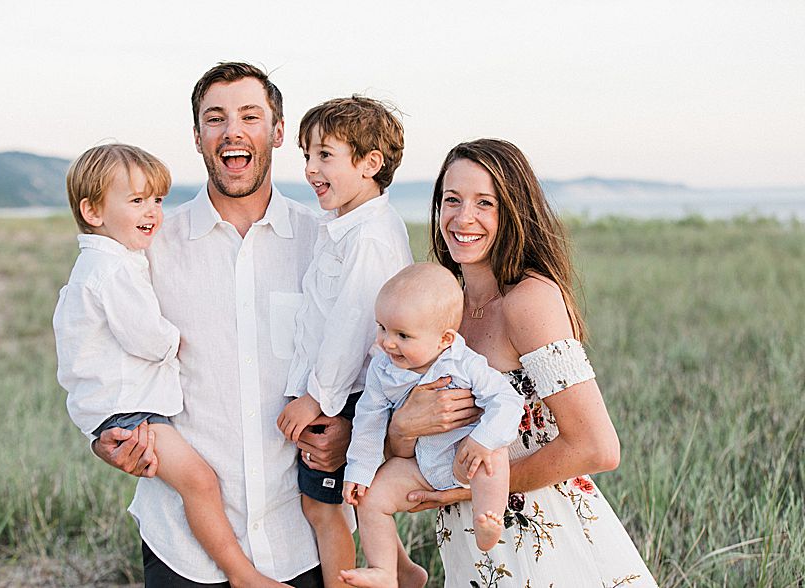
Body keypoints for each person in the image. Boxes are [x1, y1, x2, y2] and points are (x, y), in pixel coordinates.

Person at [92, 62, 424, 587]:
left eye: (250, 116)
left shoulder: (330, 240)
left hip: (302, 541)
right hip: (183, 543)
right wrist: (106, 433)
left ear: (276, 131)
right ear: (198, 137)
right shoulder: (149, 248)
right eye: (215, 119)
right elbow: (102, 357)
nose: (232, 131)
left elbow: (387, 355)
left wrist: (349, 429)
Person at [390, 139, 656, 585]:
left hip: (542, 537)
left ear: (513, 212)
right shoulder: (440, 305)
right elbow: (401, 444)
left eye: (484, 203)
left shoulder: (529, 300)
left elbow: (597, 447)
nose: (463, 218)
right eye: (451, 200)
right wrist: (403, 426)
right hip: (470, 546)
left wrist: (469, 489)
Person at [55, 143, 283, 587]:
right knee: (199, 481)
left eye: (157, 200)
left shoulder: (109, 262)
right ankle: (242, 574)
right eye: (136, 200)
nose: (153, 212)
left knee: (196, 482)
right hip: (131, 412)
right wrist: (175, 338)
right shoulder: (113, 270)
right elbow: (147, 337)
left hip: (121, 409)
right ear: (93, 210)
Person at [274, 95, 413, 588]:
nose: (311, 169)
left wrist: (317, 398)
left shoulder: (368, 238)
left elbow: (352, 326)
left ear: (370, 164)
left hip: (345, 395)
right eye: (307, 155)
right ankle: (406, 573)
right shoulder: (348, 227)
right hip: (344, 391)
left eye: (325, 155)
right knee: (356, 496)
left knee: (323, 508)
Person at [339, 263, 523, 587]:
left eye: (402, 335)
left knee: (492, 459)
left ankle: (487, 519)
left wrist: (483, 439)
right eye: (382, 328)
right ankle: (390, 570)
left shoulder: (465, 364)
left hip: (465, 458)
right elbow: (368, 420)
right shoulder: (384, 369)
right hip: (419, 466)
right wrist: (358, 470)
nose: (387, 343)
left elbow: (507, 400)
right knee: (370, 499)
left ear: (444, 339)